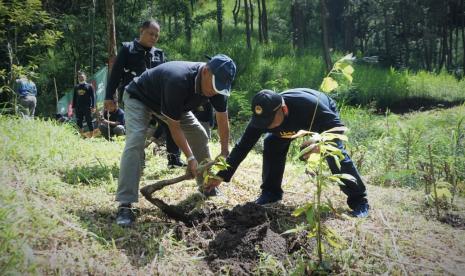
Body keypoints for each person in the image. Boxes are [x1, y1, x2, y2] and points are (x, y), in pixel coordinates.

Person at [107, 54, 237, 226]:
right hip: (140, 97)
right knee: (136, 142)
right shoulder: (178, 79)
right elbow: (173, 126)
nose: (214, 91)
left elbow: (222, 118)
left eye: (219, 88)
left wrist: (224, 151)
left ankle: (207, 187)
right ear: (206, 71)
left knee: (199, 135)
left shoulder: (218, 87)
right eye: (214, 86)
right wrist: (190, 158)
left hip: (173, 104)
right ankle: (125, 204)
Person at [205, 89, 370, 218]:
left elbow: (339, 130)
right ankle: (271, 192)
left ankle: (359, 201)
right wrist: (221, 174)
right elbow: (242, 146)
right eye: (263, 122)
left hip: (317, 120)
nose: (267, 126)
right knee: (271, 143)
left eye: (270, 121)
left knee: (334, 153)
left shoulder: (309, 105)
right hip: (288, 128)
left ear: (282, 109)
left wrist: (321, 143)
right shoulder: (262, 117)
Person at [105, 19, 184, 168]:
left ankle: (174, 160)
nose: (153, 37)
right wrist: (109, 97)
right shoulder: (127, 49)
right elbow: (115, 75)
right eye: (151, 34)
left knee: (171, 123)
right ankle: (138, 161)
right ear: (141, 31)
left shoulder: (159, 54)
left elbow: (166, 79)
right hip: (134, 97)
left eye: (156, 35)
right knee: (137, 130)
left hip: (156, 99)